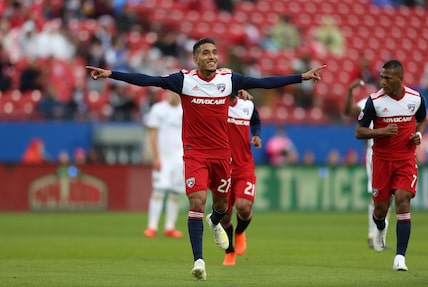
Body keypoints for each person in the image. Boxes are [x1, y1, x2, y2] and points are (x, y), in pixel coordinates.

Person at [86, 37, 326, 281]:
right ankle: (198, 261)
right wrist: (109, 74)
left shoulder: (228, 79)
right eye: (206, 53)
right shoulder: (184, 80)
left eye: (214, 52)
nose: (211, 56)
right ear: (195, 58)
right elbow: (148, 80)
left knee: (221, 208)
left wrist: (302, 77)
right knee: (197, 202)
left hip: (222, 155)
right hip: (195, 153)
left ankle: (214, 223)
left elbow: (264, 83)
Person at [355, 60, 427, 271]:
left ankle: (400, 257)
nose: (382, 81)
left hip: (405, 160)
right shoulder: (374, 101)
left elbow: (422, 119)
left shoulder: (415, 98)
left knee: (403, 200)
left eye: (387, 77)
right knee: (380, 209)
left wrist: (419, 134)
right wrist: (381, 132)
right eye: (381, 77)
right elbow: (359, 131)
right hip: (382, 161)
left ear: (399, 79)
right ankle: (380, 227)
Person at [343, 78, 390, 248]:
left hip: (396, 153)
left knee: (390, 196)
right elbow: (348, 110)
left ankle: (379, 236)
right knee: (378, 194)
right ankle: (374, 235)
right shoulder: (370, 102)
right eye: (382, 80)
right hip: (375, 151)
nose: (384, 84)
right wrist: (350, 91)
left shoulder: (402, 102)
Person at [220, 92, 262, 266]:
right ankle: (229, 252)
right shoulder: (215, 105)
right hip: (222, 168)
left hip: (243, 166)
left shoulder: (247, 105)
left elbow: (256, 120)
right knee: (224, 215)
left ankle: (240, 232)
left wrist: (256, 135)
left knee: (243, 206)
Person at [143, 90, 185, 239]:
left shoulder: (186, 109)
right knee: (158, 191)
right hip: (163, 157)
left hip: (180, 158)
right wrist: (156, 157)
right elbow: (152, 134)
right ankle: (152, 227)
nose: (172, 95)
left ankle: (170, 227)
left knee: (175, 193)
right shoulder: (158, 109)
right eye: (170, 92)